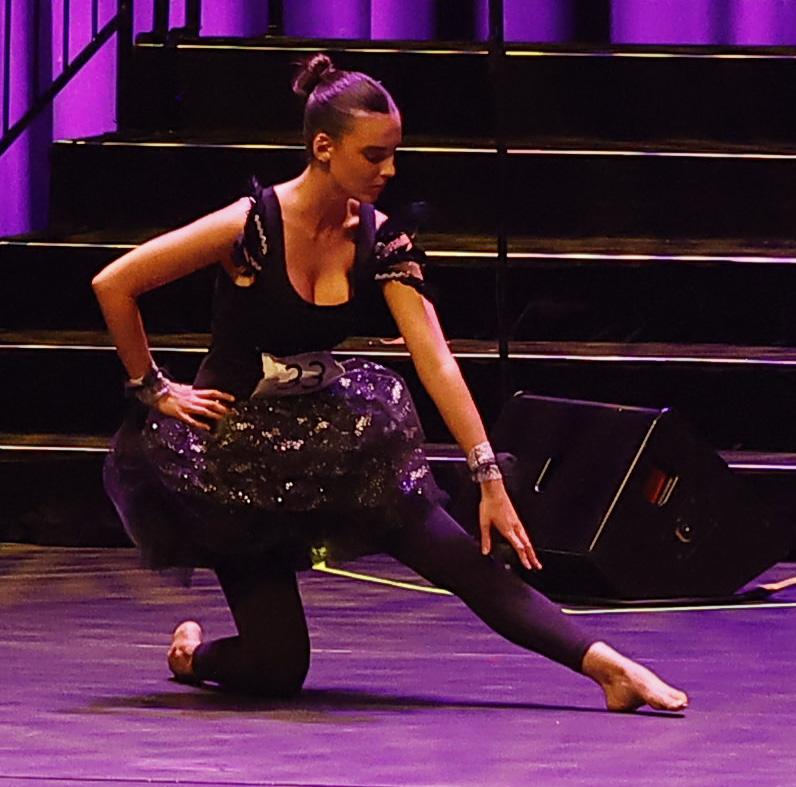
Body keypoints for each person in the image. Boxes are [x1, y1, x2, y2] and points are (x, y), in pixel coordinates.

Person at [93, 53, 688, 713]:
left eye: (394, 154)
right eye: (374, 155)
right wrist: (154, 387)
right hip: (234, 460)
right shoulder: (251, 225)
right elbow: (115, 283)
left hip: (331, 440)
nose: (390, 170)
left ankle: (608, 666)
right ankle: (191, 655)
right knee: (278, 666)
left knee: (461, 558)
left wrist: (488, 475)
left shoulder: (381, 241)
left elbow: (436, 359)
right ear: (324, 148)